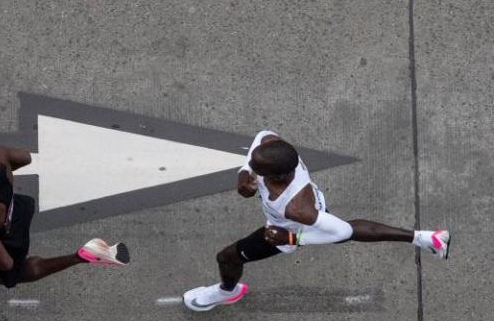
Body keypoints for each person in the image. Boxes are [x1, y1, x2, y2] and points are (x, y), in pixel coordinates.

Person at [183, 130, 451, 311]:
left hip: (288, 229)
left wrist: (292, 238)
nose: (252, 169)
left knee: (228, 257)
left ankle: (226, 292)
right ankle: (427, 238)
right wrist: (244, 171)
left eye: (257, 170)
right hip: (316, 204)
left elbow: (342, 232)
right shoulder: (280, 154)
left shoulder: (296, 208)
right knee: (349, 226)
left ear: (277, 176)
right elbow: (263, 134)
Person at [0, 146, 130, 307]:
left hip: (3, 239)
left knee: (14, 272)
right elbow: (24, 157)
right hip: (15, 212)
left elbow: (4, 262)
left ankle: (82, 256)